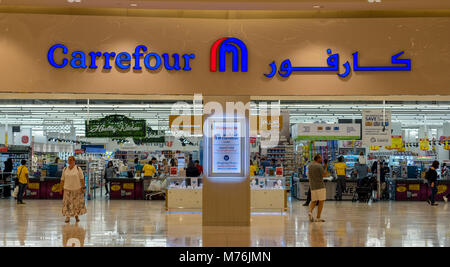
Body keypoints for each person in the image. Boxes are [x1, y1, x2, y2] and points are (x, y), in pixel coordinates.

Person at [60, 156, 86, 223]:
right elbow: (62, 180)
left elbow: (82, 179)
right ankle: (67, 217)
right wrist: (60, 188)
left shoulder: (78, 169)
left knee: (76, 204)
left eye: (71, 160)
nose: (69, 161)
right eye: (68, 160)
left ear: (74, 161)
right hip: (67, 189)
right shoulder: (65, 169)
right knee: (67, 204)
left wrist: (83, 187)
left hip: (76, 189)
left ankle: (76, 216)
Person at [308, 154, 327, 222]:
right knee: (321, 201)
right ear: (318, 159)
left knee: (313, 201)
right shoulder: (319, 166)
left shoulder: (310, 165)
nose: (321, 159)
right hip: (320, 186)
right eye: (320, 158)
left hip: (313, 186)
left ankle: (310, 212)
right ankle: (318, 217)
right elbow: (324, 175)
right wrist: (326, 167)